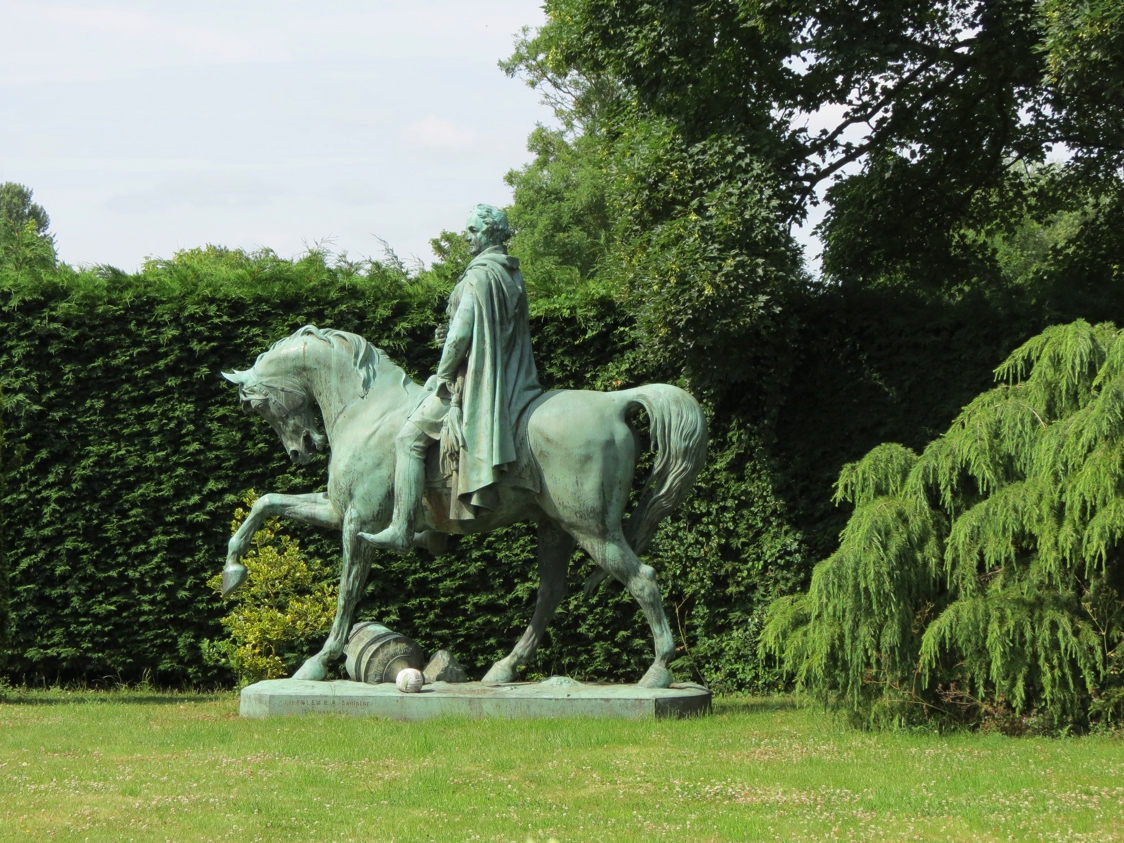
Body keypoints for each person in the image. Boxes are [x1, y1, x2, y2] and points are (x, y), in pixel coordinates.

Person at [359, 204, 542, 552]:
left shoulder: (479, 276)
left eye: (473, 230)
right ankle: (437, 530)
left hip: (474, 386)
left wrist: (442, 375)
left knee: (408, 441)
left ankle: (401, 528)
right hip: (512, 380)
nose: (467, 236)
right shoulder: (510, 275)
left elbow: (462, 335)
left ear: (491, 232)